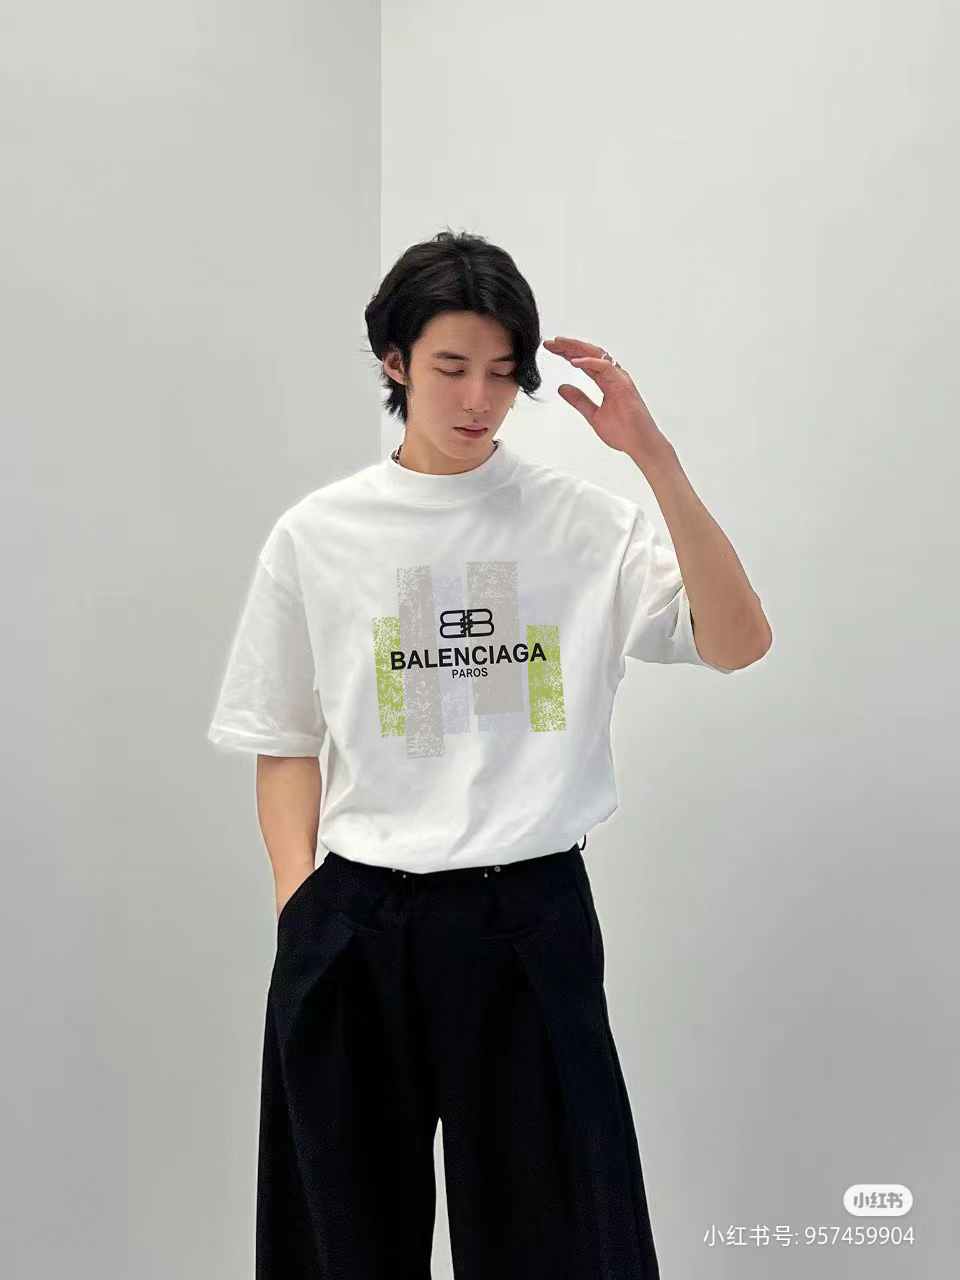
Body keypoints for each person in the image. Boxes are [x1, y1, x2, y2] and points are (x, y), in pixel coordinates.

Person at [207, 228, 744, 1279]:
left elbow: (737, 640)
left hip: (526, 914)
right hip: (358, 918)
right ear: (394, 361)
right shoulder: (319, 535)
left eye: (503, 372)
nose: (478, 398)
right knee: (338, 1245)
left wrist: (654, 457)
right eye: (452, 366)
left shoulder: (584, 524)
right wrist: (298, 903)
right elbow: (283, 737)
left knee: (563, 1243)